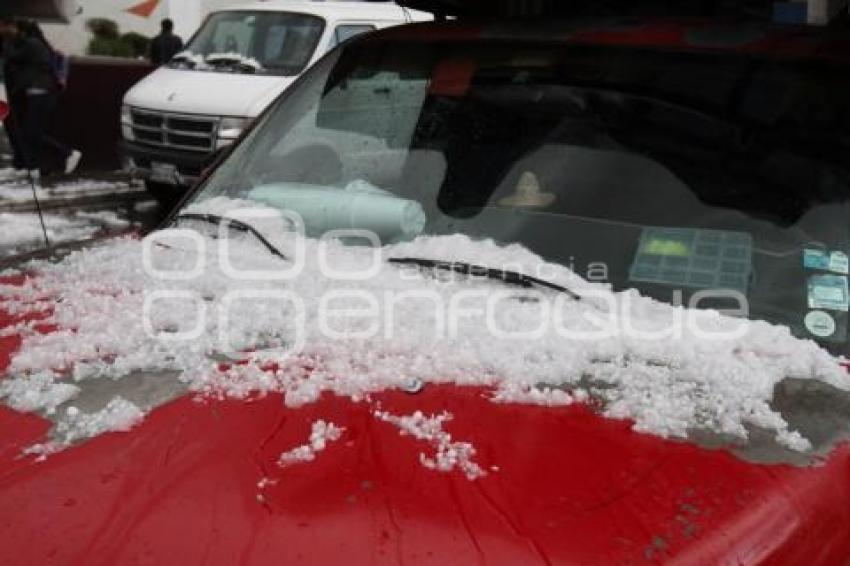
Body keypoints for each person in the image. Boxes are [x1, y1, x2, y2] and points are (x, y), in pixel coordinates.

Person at [0, 18, 81, 183]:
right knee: (28, 132)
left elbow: (11, 55)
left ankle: (68, 153)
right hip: (35, 94)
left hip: (42, 94)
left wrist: (6, 41)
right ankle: (34, 167)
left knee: (32, 133)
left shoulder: (33, 45)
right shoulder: (32, 45)